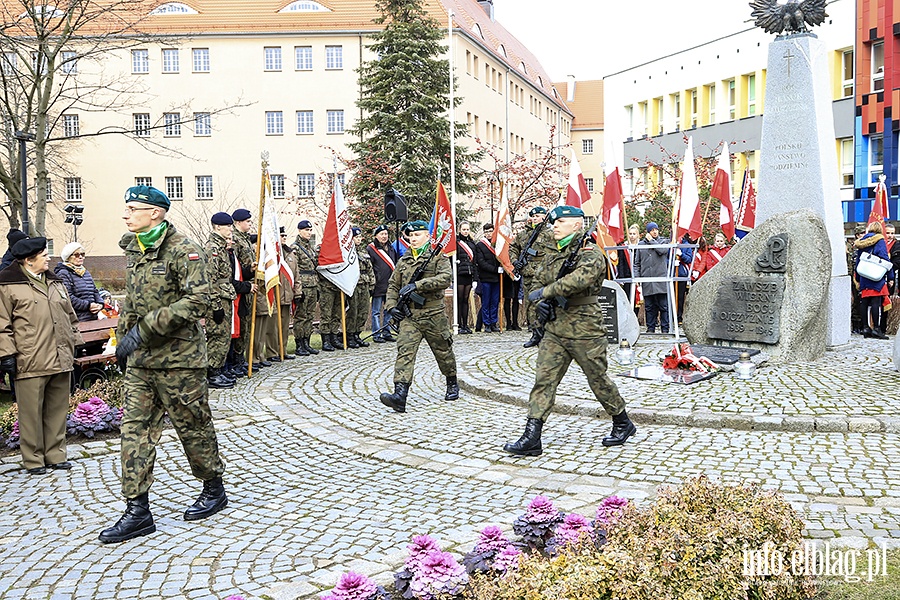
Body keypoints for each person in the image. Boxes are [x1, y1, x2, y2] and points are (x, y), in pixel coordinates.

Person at [99, 185, 227, 544]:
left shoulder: (183, 251)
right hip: (142, 363)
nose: (126, 215)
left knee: (193, 426)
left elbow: (199, 301)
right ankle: (137, 510)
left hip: (180, 361)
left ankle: (213, 487)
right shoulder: (135, 249)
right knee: (134, 431)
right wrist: (123, 343)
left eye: (132, 208)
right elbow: (135, 305)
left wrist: (144, 330)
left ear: (156, 212)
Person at [503, 206, 635, 457]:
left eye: (561, 221)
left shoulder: (590, 253)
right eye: (554, 222)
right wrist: (541, 305)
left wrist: (545, 293)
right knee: (544, 380)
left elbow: (579, 280)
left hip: (585, 327)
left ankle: (622, 421)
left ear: (576, 225)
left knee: (598, 380)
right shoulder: (551, 253)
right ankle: (532, 436)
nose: (555, 225)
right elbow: (539, 279)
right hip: (555, 327)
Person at [0, 236, 82, 474]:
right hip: (30, 359)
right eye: (44, 255)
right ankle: (34, 459)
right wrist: (6, 355)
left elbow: (70, 316)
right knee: (31, 414)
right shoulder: (7, 285)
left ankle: (55, 454)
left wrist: (75, 342)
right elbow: (2, 325)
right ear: (28, 260)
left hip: (61, 357)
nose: (48, 258)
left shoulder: (55, 282)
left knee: (57, 409)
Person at [379, 220, 458, 413]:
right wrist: (391, 307)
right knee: (405, 352)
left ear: (427, 237)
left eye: (417, 235)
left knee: (443, 351)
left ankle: (452, 381)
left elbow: (445, 279)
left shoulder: (438, 257)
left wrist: (418, 285)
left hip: (433, 315)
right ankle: (400, 395)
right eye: (411, 236)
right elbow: (393, 286)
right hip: (410, 316)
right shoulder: (404, 260)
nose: (413, 239)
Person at [510, 206, 554, 347]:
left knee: (546, 302)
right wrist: (515, 261)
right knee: (531, 304)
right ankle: (535, 332)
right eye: (533, 216)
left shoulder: (550, 234)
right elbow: (513, 248)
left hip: (544, 274)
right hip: (528, 273)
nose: (535, 218)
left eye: (538, 216)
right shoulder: (523, 234)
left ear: (544, 217)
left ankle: (549, 332)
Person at [204, 212, 237, 389]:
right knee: (217, 336)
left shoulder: (221, 247)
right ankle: (212, 373)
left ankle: (219, 369)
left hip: (225, 294)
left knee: (224, 336)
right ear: (218, 227)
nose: (231, 230)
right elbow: (210, 279)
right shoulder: (212, 248)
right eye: (228, 226)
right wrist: (215, 305)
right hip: (218, 298)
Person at [854, 221, 894, 339]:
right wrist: (890, 276)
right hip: (876, 275)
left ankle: (866, 328)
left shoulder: (861, 242)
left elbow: (858, 261)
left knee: (865, 302)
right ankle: (876, 328)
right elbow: (884, 259)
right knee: (876, 302)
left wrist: (858, 277)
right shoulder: (880, 240)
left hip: (864, 274)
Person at [267, 227, 301, 360]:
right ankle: (272, 352)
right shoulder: (271, 255)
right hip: (275, 296)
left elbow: (296, 275)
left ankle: (283, 350)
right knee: (273, 327)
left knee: (285, 327)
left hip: (288, 296)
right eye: (281, 236)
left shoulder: (290, 254)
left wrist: (297, 293)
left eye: (285, 236)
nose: (284, 238)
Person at [633, 222, 670, 334]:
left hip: (660, 279)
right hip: (647, 280)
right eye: (652, 230)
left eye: (656, 229)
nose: (655, 231)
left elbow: (662, 251)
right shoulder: (640, 245)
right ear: (648, 231)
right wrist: (637, 277)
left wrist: (651, 241)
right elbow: (637, 263)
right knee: (649, 306)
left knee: (663, 306)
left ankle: (665, 328)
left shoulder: (663, 241)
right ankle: (650, 328)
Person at [54, 241, 104, 322]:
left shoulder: (85, 272)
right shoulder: (63, 273)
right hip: (76, 319)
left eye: (82, 254)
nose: (80, 257)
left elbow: (95, 291)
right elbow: (67, 297)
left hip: (92, 317)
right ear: (68, 257)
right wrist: (88, 305)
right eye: (76, 255)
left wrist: (100, 304)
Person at [231, 209, 255, 372]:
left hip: (248, 284)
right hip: (239, 286)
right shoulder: (235, 240)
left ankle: (241, 358)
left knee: (245, 325)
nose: (250, 224)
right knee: (240, 325)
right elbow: (235, 267)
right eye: (247, 222)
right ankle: (236, 361)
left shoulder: (246, 239)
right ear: (238, 222)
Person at [291, 220, 320, 356]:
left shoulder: (311, 248)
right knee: (301, 316)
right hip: (303, 286)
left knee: (310, 316)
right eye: (306, 230)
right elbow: (294, 270)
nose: (309, 233)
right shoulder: (295, 248)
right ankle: (299, 343)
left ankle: (306, 342)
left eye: (310, 230)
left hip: (313, 285)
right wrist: (298, 290)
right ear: (299, 231)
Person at [368, 224, 399, 342]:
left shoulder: (391, 248)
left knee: (388, 310)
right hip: (378, 284)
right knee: (376, 311)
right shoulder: (371, 249)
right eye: (382, 234)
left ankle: (387, 332)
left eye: (386, 234)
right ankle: (376, 334)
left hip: (390, 284)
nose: (384, 236)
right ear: (376, 236)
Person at [347, 227, 374, 348]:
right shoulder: (347, 252)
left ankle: (357, 334)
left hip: (365, 284)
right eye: (356, 237)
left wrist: (372, 284)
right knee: (353, 311)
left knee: (363, 311)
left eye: (359, 237)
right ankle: (350, 335)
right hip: (354, 285)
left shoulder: (363, 251)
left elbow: (370, 269)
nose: (358, 239)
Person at [474, 222, 501, 332]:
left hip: (497, 278)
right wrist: (495, 270)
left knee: (495, 302)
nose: (489, 234)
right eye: (486, 232)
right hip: (485, 278)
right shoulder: (480, 245)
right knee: (486, 302)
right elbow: (481, 262)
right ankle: (487, 324)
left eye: (490, 231)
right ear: (484, 233)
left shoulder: (498, 244)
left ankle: (494, 322)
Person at [454, 221, 476, 334]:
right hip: (459, 274)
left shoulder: (472, 244)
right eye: (464, 229)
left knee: (466, 300)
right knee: (459, 299)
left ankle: (465, 324)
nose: (466, 231)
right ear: (459, 230)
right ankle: (458, 324)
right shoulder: (456, 243)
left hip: (468, 274)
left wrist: (475, 278)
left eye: (467, 229)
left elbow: (475, 262)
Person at [673, 233, 695, 324]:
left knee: (680, 297)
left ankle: (679, 317)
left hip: (681, 273)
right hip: (671, 273)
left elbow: (689, 259)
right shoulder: (669, 243)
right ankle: (670, 316)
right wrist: (671, 262)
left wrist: (681, 255)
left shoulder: (686, 245)